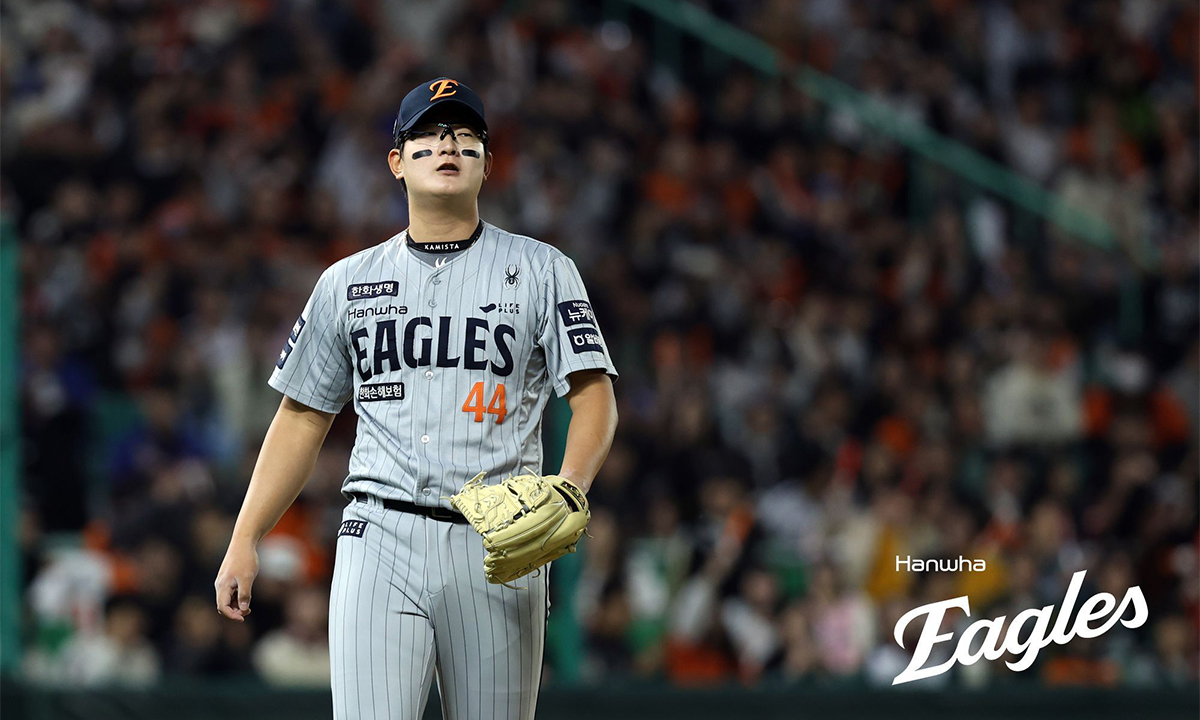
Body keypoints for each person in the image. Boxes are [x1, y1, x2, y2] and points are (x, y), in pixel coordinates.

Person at [214, 77, 619, 719]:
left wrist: (570, 487)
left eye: (464, 135)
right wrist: (246, 536)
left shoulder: (544, 269)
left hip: (499, 541)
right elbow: (301, 417)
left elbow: (593, 393)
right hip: (378, 532)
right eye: (427, 135)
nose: (447, 144)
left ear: (488, 161)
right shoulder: (347, 282)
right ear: (397, 162)